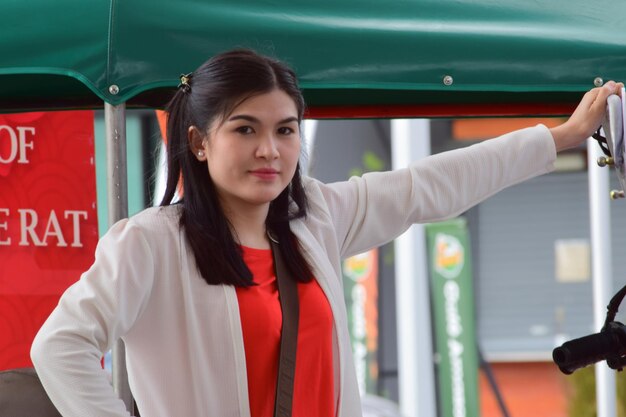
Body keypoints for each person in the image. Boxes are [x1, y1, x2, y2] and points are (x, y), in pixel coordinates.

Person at [31, 48, 623, 417]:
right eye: (245, 129)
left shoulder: (314, 217)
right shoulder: (151, 243)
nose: (270, 149)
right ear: (199, 141)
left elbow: (431, 183)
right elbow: (59, 346)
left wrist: (563, 135)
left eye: (286, 130)